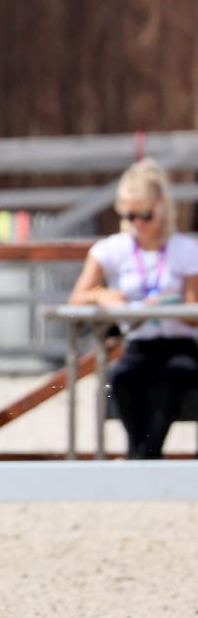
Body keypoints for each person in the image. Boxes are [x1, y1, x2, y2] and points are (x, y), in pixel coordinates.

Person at [67, 159, 198, 459]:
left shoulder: (185, 250)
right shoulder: (112, 249)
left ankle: (146, 455)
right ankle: (140, 453)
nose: (137, 222)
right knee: (123, 378)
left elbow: (192, 316)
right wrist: (101, 296)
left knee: (174, 377)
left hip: (178, 345)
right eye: (129, 215)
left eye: (145, 214)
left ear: (162, 208)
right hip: (137, 344)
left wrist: (164, 306)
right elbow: (77, 298)